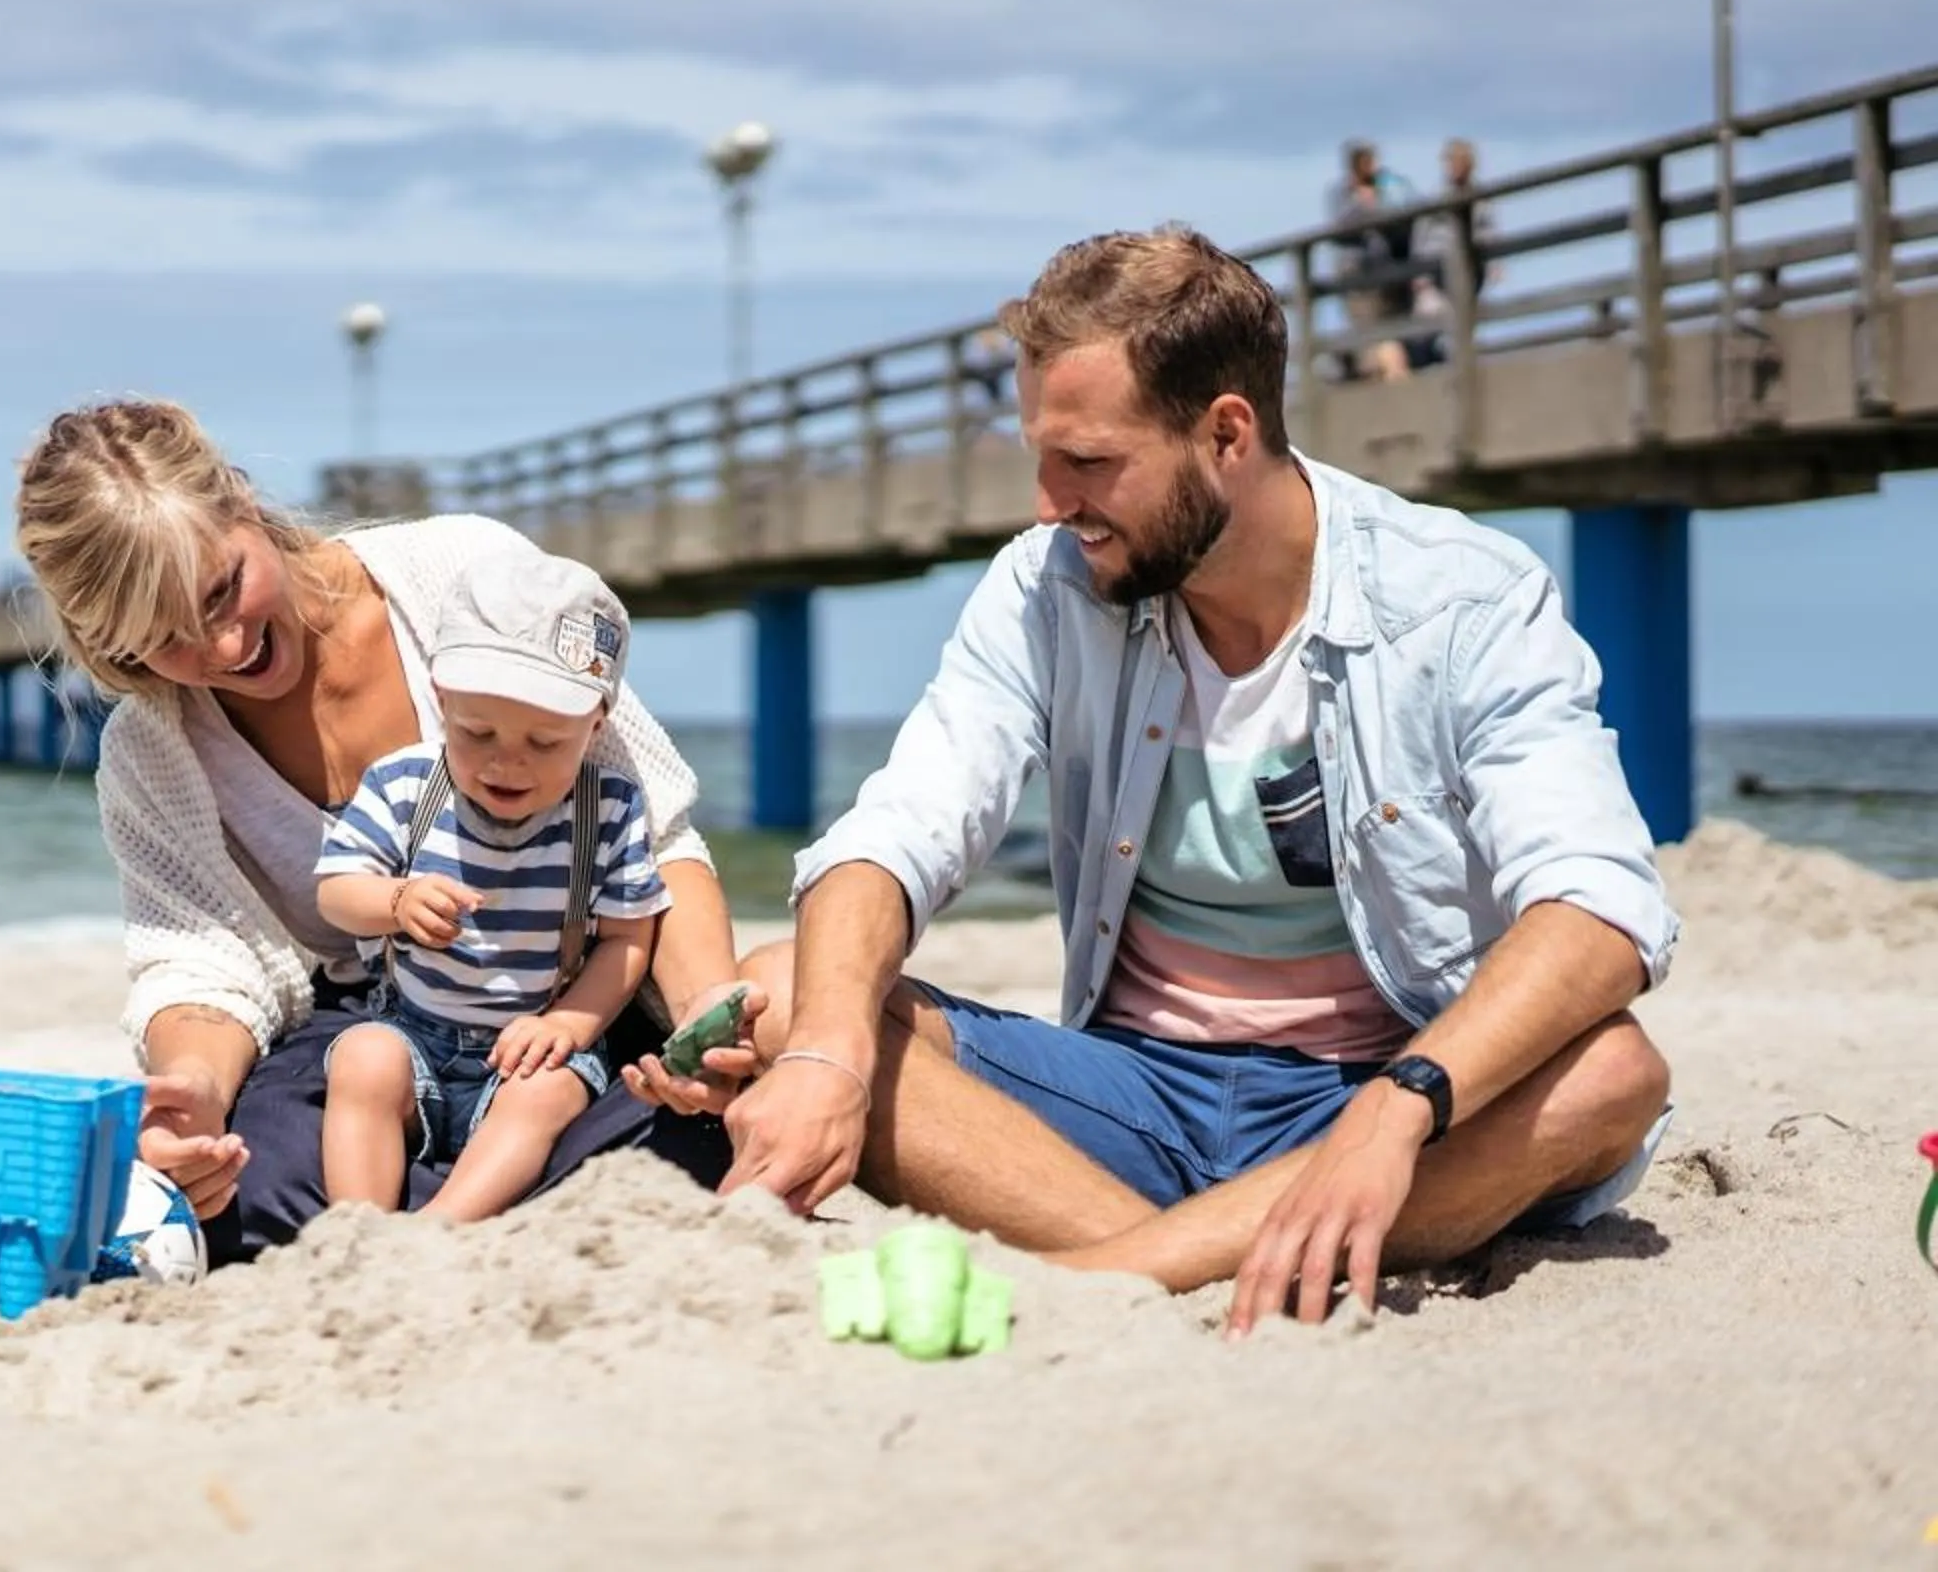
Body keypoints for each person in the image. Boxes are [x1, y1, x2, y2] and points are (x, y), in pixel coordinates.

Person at [706, 227, 1677, 1337]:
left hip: (1377, 1093)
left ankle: (1103, 1267)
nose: (1047, 501)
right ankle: (1182, 1255)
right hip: (1126, 1091)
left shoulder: (1463, 601)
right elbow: (899, 829)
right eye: (1040, 456)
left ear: (1226, 432)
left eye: (1088, 461)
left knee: (1613, 1075)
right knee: (785, 992)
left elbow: (1601, 908)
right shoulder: (1048, 587)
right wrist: (829, 1055)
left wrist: (1395, 1107)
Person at [12, 400, 746, 1262]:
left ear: (241, 503)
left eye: (222, 590)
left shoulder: (464, 573)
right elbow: (204, 966)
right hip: (383, 1019)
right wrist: (193, 1098)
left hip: (566, 1003)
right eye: (163, 642)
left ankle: (448, 1213)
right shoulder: (151, 748)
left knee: (690, 1129)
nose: (224, 647)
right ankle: (457, 1218)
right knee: (244, 1187)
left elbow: (655, 837)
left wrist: (705, 1022)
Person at [314, 549, 669, 1221]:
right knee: (362, 1061)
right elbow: (336, 889)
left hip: (528, 1044)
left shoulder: (608, 808)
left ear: (595, 725)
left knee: (545, 1095)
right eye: (478, 733)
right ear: (442, 699)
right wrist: (394, 901)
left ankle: (444, 1225)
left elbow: (628, 939)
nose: (508, 762)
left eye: (545, 743)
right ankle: (358, 1226)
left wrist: (572, 1021)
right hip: (413, 1032)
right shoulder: (406, 784)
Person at [1325, 138, 1421, 382]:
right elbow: (1338, 229)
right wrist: (1364, 205)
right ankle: (1380, 375)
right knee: (1370, 333)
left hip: (1389, 272)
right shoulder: (1342, 194)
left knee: (1391, 331)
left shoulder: (1391, 187)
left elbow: (1408, 213)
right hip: (1358, 277)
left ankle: (1391, 374)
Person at [1398, 137, 1497, 371]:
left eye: (1461, 161)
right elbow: (1422, 236)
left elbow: (1489, 232)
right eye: (1453, 161)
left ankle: (1462, 367)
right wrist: (1420, 274)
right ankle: (1424, 367)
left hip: (1470, 272)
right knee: (1428, 325)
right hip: (1437, 272)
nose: (1457, 166)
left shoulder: (1481, 198)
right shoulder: (1438, 196)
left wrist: (1493, 262)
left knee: (1464, 326)